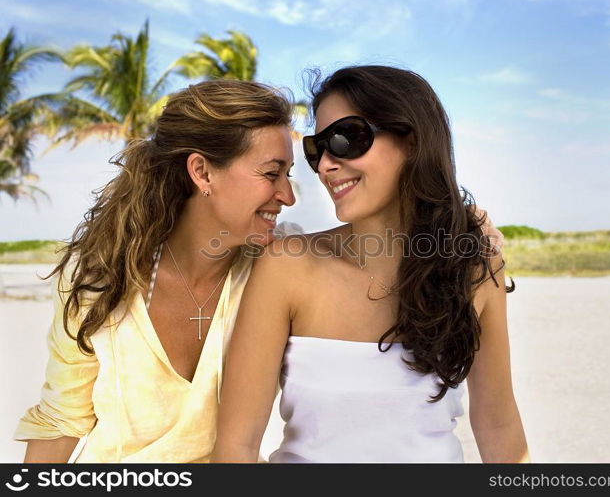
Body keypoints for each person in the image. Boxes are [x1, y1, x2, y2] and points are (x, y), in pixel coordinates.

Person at [212, 66, 529, 463]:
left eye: (345, 139)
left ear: (411, 141)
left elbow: (498, 424)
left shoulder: (475, 267)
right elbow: (236, 448)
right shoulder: (286, 268)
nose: (326, 164)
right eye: (317, 149)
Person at [14, 79, 297, 462]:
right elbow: (61, 419)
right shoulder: (98, 276)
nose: (288, 196)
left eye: (288, 174)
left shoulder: (278, 268)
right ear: (202, 172)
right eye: (271, 173)